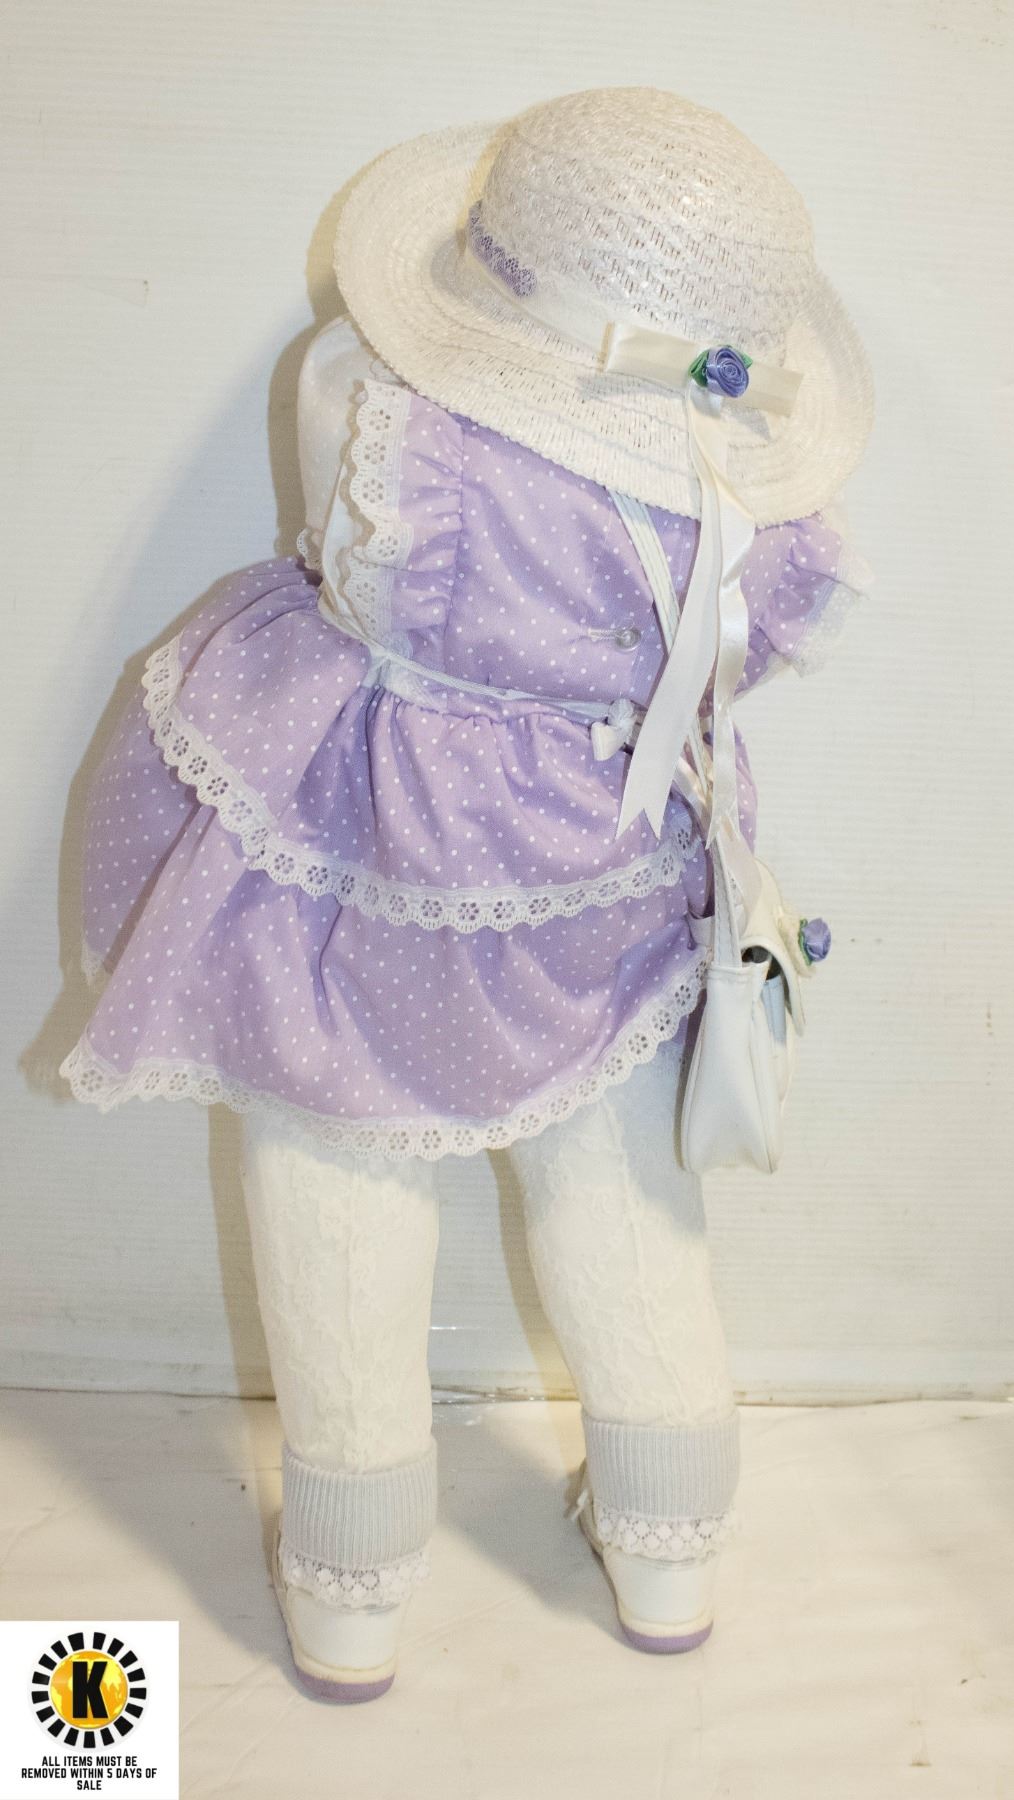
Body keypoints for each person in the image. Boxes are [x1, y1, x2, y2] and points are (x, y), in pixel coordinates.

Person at [59, 85, 873, 1702]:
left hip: (371, 846)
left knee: (334, 1174)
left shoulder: (372, 410)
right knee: (621, 1197)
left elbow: (339, 572)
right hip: (609, 862)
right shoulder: (766, 512)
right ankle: (666, 1545)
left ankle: (348, 1590)